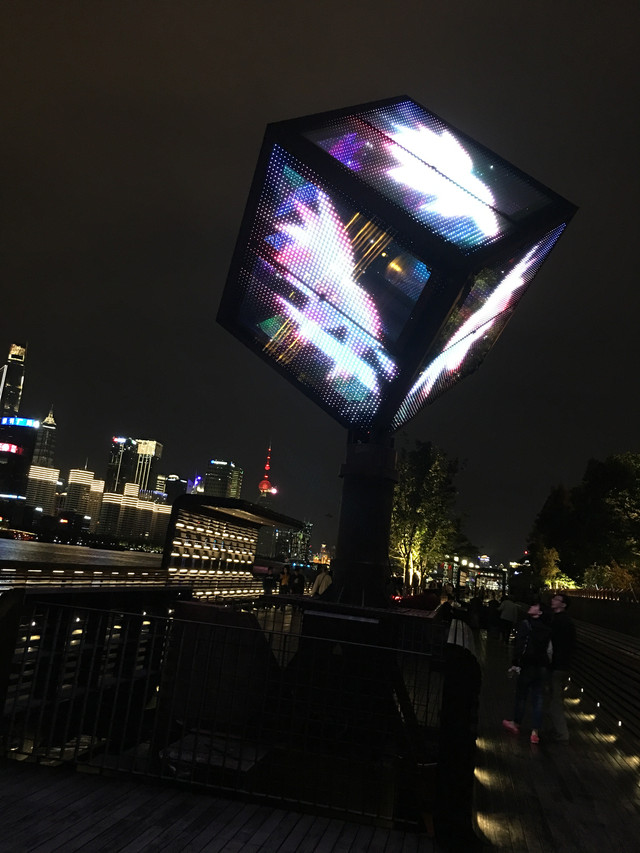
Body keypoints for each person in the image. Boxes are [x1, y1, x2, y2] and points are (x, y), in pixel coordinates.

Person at [502, 601, 552, 744]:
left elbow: (520, 645)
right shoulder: (548, 628)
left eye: (535, 606)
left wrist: (515, 663)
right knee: (538, 699)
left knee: (521, 696)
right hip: (542, 666)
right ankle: (535, 732)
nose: (532, 606)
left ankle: (516, 723)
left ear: (539, 612)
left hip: (528, 665)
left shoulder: (526, 624)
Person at [547, 593, 576, 742]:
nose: (553, 600)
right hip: (563, 665)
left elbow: (556, 644)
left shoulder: (559, 621)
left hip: (557, 665)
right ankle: (557, 730)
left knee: (555, 700)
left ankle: (562, 733)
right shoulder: (566, 621)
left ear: (563, 605)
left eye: (557, 599)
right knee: (556, 698)